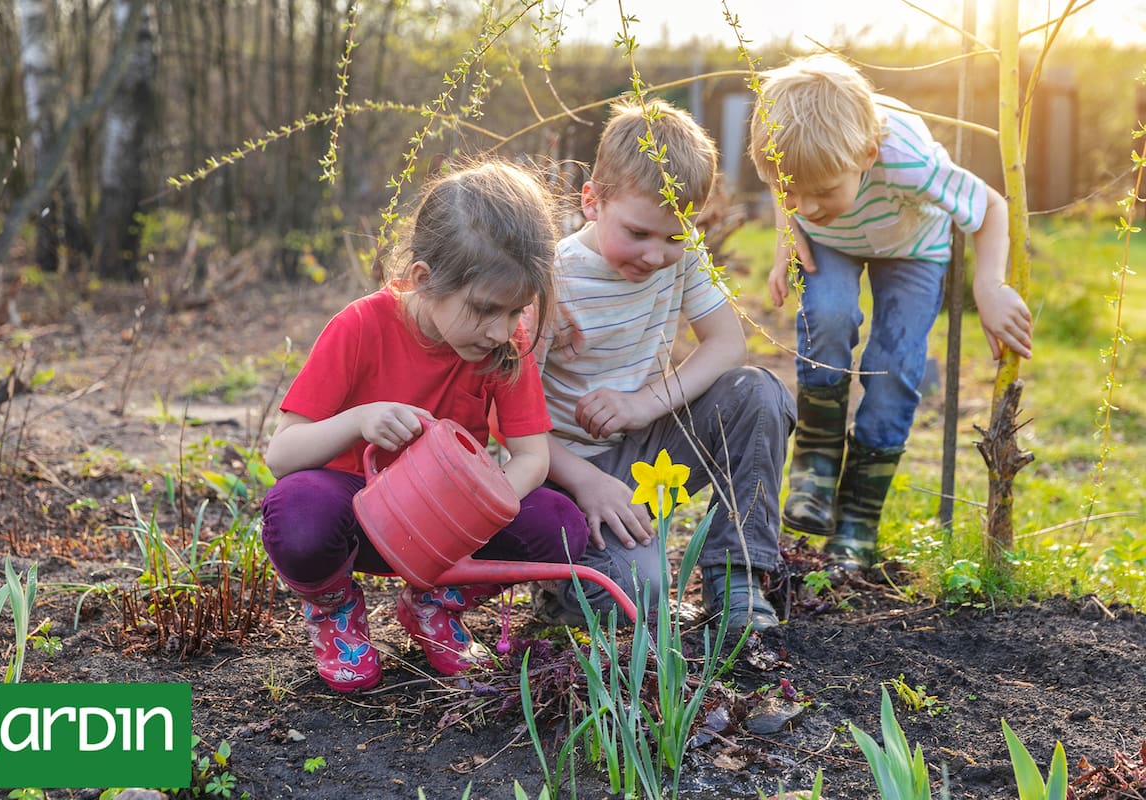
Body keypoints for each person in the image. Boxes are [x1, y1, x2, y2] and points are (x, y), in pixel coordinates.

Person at [261, 160, 588, 693]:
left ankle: (432, 607)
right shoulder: (360, 326)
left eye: (517, 312)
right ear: (421, 279)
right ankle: (336, 611)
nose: (502, 330)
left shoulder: (506, 343)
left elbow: (532, 456)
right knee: (297, 512)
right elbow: (283, 455)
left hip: (448, 528)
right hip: (361, 519)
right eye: (485, 309)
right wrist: (359, 420)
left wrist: (484, 509)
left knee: (559, 524)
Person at [748, 54, 1034, 570]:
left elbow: (990, 206)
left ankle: (858, 515)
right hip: (833, 243)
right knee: (829, 317)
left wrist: (988, 285)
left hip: (912, 246)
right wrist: (787, 232)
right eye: (794, 193)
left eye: (822, 191)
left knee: (897, 365)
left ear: (868, 155)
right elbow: (785, 182)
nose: (806, 204)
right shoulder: (802, 172)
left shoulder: (907, 159)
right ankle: (815, 462)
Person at [530, 98, 796, 638]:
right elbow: (507, 423)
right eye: (638, 233)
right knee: (638, 595)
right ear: (592, 202)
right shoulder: (549, 278)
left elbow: (727, 346)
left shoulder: (686, 254)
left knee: (758, 393)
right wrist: (585, 480)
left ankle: (736, 579)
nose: (655, 255)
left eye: (675, 235)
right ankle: (560, 587)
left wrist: (641, 404)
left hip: (645, 454)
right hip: (560, 474)